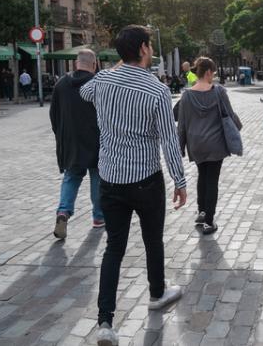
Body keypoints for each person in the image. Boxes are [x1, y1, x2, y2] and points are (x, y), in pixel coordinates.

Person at [80, 25, 187, 345]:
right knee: (153, 240)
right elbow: (169, 139)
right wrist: (179, 180)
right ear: (142, 48)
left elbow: (84, 93)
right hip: (145, 179)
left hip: (110, 178)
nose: (151, 50)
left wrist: (115, 69)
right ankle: (157, 293)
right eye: (149, 45)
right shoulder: (156, 90)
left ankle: (105, 322)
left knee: (114, 247)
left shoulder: (102, 80)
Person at [178, 57, 241, 235]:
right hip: (215, 144)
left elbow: (182, 124)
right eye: (212, 73)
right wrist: (237, 129)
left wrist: (180, 146)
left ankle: (202, 211)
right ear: (207, 72)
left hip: (196, 144)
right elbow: (229, 114)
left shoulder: (186, 95)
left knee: (202, 175)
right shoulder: (219, 92)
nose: (213, 76)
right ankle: (208, 222)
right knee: (212, 179)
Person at [50, 49, 104, 239]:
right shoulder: (97, 83)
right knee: (97, 177)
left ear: (76, 63)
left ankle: (63, 211)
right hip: (96, 140)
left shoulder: (61, 84)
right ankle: (98, 217)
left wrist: (61, 136)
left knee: (71, 177)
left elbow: (54, 115)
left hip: (70, 141)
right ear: (94, 64)